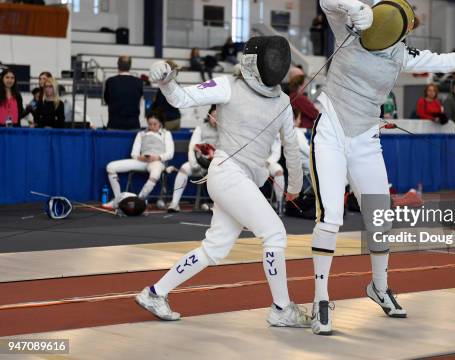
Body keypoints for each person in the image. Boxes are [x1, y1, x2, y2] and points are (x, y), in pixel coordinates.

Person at [310, 0, 455, 335]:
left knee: (379, 218)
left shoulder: (402, 55)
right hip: (330, 130)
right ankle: (320, 301)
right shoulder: (349, 29)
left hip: (365, 138)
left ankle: (379, 286)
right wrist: (354, 6)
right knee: (330, 217)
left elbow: (448, 61)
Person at [137, 35, 309, 328]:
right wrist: (165, 80)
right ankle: (282, 308)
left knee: (214, 249)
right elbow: (182, 98)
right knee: (275, 235)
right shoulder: (228, 85)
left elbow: (291, 145)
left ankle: (155, 293)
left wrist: (294, 184)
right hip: (228, 173)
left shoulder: (281, 100)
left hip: (241, 180)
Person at [103, 113, 174, 208]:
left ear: (160, 124)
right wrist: (140, 157)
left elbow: (170, 153)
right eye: (150, 124)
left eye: (155, 124)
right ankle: (117, 200)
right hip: (142, 161)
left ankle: (138, 201)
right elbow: (134, 153)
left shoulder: (166, 134)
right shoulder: (141, 134)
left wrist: (157, 157)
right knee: (110, 167)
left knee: (156, 173)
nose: (152, 126)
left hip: (157, 162)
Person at [167, 105, 219, 212]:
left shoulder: (225, 131)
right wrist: (194, 163)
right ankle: (174, 203)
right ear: (209, 116)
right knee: (184, 169)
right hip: (200, 161)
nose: (215, 119)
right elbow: (192, 147)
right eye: (214, 116)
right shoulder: (200, 128)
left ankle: (219, 207)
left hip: (217, 164)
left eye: (218, 117)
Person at [104, 56, 144, 130]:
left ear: (118, 65)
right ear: (130, 66)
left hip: (114, 124)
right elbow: (140, 101)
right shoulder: (139, 82)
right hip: (133, 124)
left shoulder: (110, 81)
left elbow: (107, 100)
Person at [152, 61, 182, 130]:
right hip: (176, 118)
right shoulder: (177, 84)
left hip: (167, 120)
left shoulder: (165, 85)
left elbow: (159, 104)